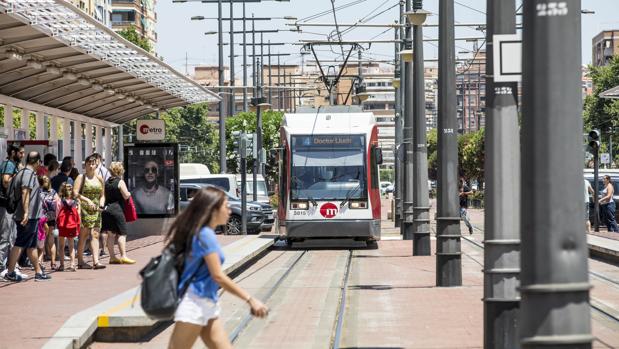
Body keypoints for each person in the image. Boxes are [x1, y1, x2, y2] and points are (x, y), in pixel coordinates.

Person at [167, 187, 268, 349]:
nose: (229, 210)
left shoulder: (205, 233)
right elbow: (218, 276)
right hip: (194, 303)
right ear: (213, 209)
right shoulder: (205, 235)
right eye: (226, 206)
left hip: (207, 301)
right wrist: (250, 299)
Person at [3, 151, 51, 282]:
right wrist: (25, 213)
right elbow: (25, 192)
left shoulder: (23, 173)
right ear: (37, 162)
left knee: (31, 245)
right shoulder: (27, 174)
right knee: (20, 243)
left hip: (31, 216)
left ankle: (38, 272)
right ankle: (11, 271)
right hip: (27, 216)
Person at [0, 144, 27, 279]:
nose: (22, 155)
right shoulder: (9, 165)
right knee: (6, 237)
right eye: (20, 153)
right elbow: (6, 181)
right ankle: (1, 267)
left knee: (12, 237)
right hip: (6, 205)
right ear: (13, 153)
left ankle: (10, 267)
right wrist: (18, 175)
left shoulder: (13, 165)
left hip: (11, 206)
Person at [74, 155, 106, 269]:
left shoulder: (100, 178)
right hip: (84, 209)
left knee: (95, 235)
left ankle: (96, 261)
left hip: (96, 210)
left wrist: (101, 204)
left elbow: (102, 195)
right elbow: (75, 193)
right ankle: (81, 261)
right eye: (89, 164)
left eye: (94, 164)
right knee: (84, 235)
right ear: (85, 165)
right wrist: (87, 200)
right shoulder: (81, 177)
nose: (92, 166)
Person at [102, 162, 135, 264]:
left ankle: (112, 257)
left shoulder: (106, 182)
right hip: (117, 210)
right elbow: (125, 196)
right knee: (122, 233)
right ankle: (123, 256)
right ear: (120, 171)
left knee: (111, 234)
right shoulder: (120, 182)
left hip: (107, 210)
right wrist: (129, 193)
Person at [56, 183, 80, 272]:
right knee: (71, 245)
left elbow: (57, 213)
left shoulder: (60, 201)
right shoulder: (75, 201)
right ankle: (72, 264)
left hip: (62, 225)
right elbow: (78, 214)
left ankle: (62, 265)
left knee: (61, 246)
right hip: (72, 225)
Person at [39, 176, 59, 270]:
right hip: (51, 218)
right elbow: (58, 204)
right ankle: (53, 262)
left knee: (41, 240)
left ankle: (40, 262)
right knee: (51, 241)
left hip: (42, 218)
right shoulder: (54, 192)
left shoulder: (39, 191)